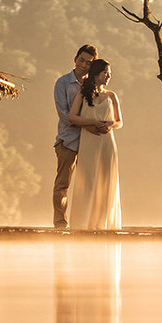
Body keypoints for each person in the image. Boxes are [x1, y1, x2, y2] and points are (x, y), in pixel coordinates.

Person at [67, 58, 122, 230]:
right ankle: (83, 223)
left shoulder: (112, 96)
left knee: (105, 181)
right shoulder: (83, 94)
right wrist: (92, 123)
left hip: (107, 142)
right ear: (96, 73)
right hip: (89, 140)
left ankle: (102, 223)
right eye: (105, 73)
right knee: (88, 179)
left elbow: (119, 121)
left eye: (109, 74)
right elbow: (72, 117)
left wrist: (109, 125)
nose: (108, 77)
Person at [53, 45, 103, 229]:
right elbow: (64, 115)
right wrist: (89, 125)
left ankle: (86, 222)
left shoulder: (95, 85)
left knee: (89, 185)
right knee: (62, 185)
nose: (83, 65)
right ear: (75, 59)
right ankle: (60, 223)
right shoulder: (63, 83)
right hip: (68, 140)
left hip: (91, 142)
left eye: (88, 63)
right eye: (81, 60)